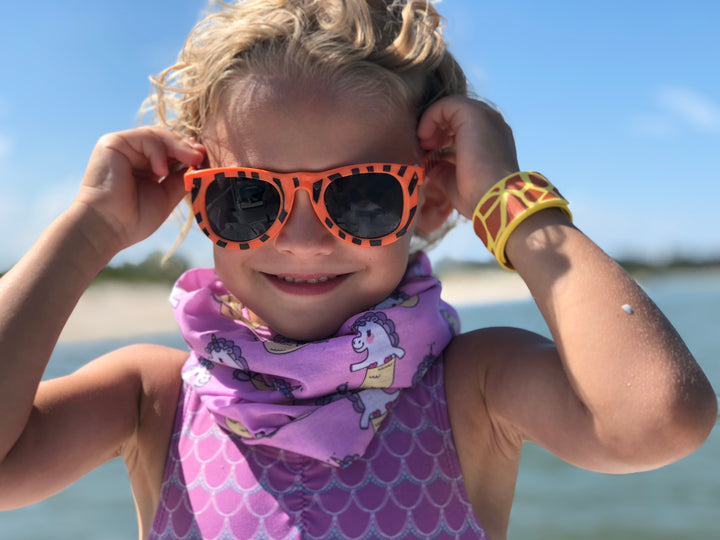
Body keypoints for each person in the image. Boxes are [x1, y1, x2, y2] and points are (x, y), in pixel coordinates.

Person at [0, 1, 716, 539]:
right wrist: (89, 228)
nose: (305, 240)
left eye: (362, 195)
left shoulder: (474, 384)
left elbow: (655, 423)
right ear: (200, 199)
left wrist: (510, 197)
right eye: (250, 198)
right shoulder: (153, 397)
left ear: (433, 196)